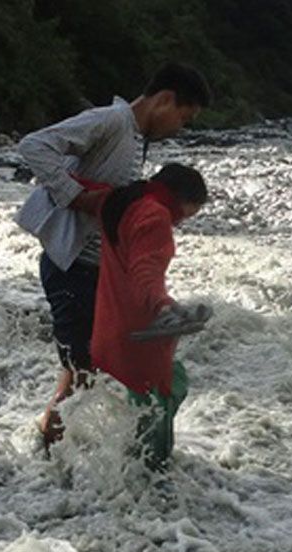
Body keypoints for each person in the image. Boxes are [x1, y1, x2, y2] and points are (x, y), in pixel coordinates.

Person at [13, 63, 212, 449]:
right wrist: (72, 195)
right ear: (164, 100)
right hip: (69, 266)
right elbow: (34, 146)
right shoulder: (112, 121)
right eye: (182, 118)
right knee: (82, 370)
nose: (180, 128)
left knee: (84, 370)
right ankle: (47, 455)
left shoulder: (135, 137)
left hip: (95, 270)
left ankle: (52, 449)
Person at [90, 163, 209, 470]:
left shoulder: (124, 201)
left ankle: (130, 468)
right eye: (187, 214)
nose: (180, 223)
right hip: (140, 328)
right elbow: (147, 269)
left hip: (111, 321)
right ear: (181, 199)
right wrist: (163, 306)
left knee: (148, 398)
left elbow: (82, 194)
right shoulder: (155, 216)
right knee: (164, 394)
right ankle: (153, 478)